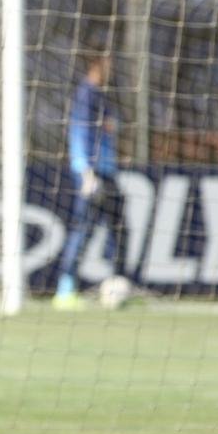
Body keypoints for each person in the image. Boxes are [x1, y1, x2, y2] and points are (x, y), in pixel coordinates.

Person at [53, 48, 128, 309]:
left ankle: (119, 285)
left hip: (107, 172)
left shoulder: (103, 96)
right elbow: (77, 134)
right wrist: (85, 172)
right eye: (108, 62)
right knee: (83, 229)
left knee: (118, 230)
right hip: (92, 174)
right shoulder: (86, 95)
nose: (112, 68)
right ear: (96, 63)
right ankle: (65, 289)